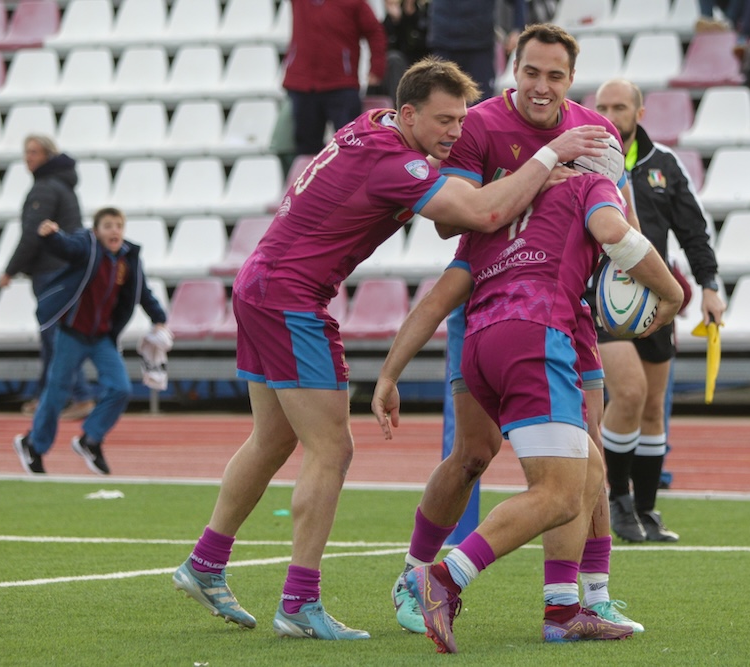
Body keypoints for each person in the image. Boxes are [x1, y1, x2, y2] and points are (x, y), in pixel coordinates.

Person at [170, 56, 610, 640]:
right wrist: (549, 156)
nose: (457, 132)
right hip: (292, 296)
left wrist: (531, 178)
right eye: (444, 121)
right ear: (408, 114)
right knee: (332, 450)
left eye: (460, 120)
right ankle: (299, 601)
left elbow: (471, 202)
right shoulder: (393, 160)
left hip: (263, 284)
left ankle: (206, 562)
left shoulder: (370, 128)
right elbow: (479, 212)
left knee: (273, 438)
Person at [374, 23, 646, 640]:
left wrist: (617, 203)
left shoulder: (595, 133)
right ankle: (417, 573)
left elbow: (617, 222)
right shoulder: (481, 126)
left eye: (555, 76)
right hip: (488, 299)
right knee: (473, 454)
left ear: (570, 79)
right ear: (512, 70)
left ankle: (581, 600)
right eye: (531, 73)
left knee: (590, 459)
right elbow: (457, 222)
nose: (542, 87)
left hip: (565, 311)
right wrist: (538, 182)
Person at [400, 169, 683, 654]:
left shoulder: (500, 203)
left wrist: (389, 373)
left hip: (480, 342)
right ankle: (442, 579)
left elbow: (440, 296)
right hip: (535, 334)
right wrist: (674, 291)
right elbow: (619, 235)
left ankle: (562, 612)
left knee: (590, 467)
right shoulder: (589, 185)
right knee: (558, 493)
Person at [592, 79, 726, 543]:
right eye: (603, 106)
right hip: (605, 301)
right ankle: (617, 502)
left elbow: (694, 232)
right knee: (626, 395)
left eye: (621, 106)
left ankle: (647, 510)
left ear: (640, 112)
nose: (612, 113)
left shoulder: (663, 165)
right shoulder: (585, 163)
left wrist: (708, 287)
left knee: (652, 408)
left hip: (658, 297)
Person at [12, 207, 169, 476]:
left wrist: (159, 317)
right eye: (107, 225)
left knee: (120, 388)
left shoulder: (128, 259)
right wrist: (51, 236)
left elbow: (142, 291)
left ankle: (91, 439)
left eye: (118, 225)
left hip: (101, 338)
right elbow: (67, 247)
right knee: (57, 393)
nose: (114, 230)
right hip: (72, 333)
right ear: (96, 231)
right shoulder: (87, 247)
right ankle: (33, 445)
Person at [1, 134, 95, 420]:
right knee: (52, 335)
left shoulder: (44, 189)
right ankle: (46, 395)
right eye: (26, 151)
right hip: (66, 268)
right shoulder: (64, 186)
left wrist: (10, 269)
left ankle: (80, 396)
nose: (28, 157)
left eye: (34, 152)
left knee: (55, 336)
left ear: (48, 155)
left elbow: (32, 235)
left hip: (50, 270)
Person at [282, 0, 388, 156]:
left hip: (341, 85)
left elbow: (374, 32)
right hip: (304, 85)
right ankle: (310, 181)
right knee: (306, 150)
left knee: (351, 146)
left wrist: (377, 68)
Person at [427, 0, 526, 100]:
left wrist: (517, 29)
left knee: (480, 105)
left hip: (479, 48)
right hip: (443, 45)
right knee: (440, 102)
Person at [382, 0, 431, 100]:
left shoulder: (426, 12)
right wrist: (395, 22)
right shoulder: (393, 16)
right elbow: (388, 46)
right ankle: (398, 105)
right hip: (402, 65)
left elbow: (426, 43)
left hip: (424, 63)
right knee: (393, 59)